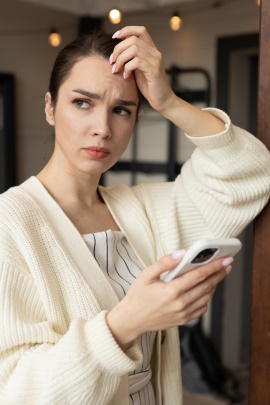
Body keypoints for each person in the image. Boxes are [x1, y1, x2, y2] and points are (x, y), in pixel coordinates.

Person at [0, 26, 269, 405]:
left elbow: (251, 174)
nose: (102, 129)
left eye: (122, 110)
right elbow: (15, 392)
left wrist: (169, 101)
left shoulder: (140, 210)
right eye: (82, 103)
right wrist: (126, 323)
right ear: (49, 107)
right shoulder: (9, 224)